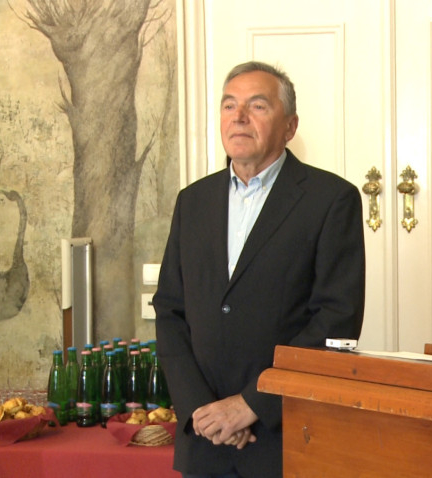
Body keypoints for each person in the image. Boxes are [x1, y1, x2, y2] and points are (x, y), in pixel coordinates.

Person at [153, 61, 365, 478]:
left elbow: (336, 321)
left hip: (282, 438)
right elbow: (170, 311)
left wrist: (251, 404)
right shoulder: (192, 201)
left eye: (257, 106)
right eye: (229, 105)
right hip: (205, 440)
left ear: (290, 126)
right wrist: (201, 410)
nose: (239, 117)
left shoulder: (330, 200)